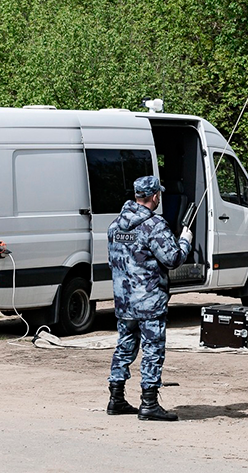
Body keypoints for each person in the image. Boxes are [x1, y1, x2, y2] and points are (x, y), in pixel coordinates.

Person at [106, 175, 192, 421]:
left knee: (124, 346)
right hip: (150, 301)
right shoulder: (154, 226)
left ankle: (116, 398)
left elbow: (114, 261)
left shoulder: (115, 227)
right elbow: (172, 259)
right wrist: (185, 241)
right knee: (153, 349)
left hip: (124, 300)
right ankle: (149, 403)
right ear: (155, 196)